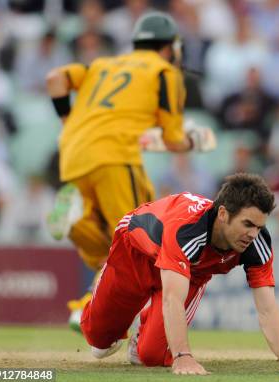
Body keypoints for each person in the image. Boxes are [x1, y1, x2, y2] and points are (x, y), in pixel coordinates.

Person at [45, 11, 216, 329]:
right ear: (169, 47)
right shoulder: (165, 72)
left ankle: (77, 229)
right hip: (114, 157)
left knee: (109, 241)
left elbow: (54, 79)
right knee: (141, 238)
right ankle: (90, 305)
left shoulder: (103, 64)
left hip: (73, 155)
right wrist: (194, 142)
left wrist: (68, 121)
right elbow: (173, 139)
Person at [81, 173, 279, 375]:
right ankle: (102, 287)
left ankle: (143, 335)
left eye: (259, 227)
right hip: (135, 255)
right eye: (247, 224)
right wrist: (183, 356)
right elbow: (172, 299)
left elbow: (267, 307)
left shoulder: (257, 244)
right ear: (224, 214)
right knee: (99, 342)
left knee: (151, 356)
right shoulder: (187, 229)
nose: (253, 235)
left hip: (189, 274)